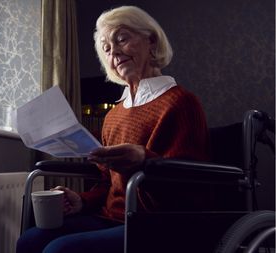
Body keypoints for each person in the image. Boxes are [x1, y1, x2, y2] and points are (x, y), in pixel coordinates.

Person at [16, 5, 210, 253]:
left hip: (160, 222)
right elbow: (109, 183)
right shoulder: (114, 115)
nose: (114, 52)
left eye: (122, 39)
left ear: (151, 40)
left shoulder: (181, 102)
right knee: (30, 240)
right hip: (111, 216)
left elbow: (191, 189)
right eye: (107, 49)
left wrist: (143, 160)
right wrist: (81, 201)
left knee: (59, 250)